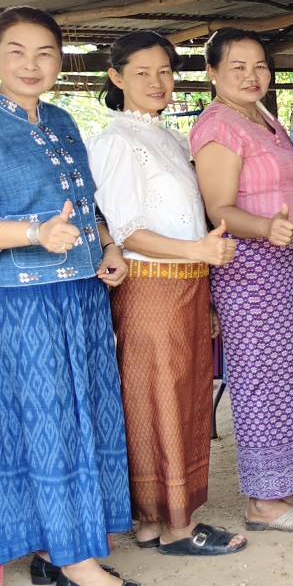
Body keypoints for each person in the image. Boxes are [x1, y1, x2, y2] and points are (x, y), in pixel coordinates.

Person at [0, 8, 139, 586]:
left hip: (79, 292)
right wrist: (33, 234)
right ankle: (77, 563)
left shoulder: (61, 120)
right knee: (50, 424)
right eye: (18, 52)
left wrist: (108, 246)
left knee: (85, 416)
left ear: (60, 60)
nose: (32, 64)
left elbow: (85, 201)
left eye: (46, 52)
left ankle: (59, 545)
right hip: (20, 302)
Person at [89, 31, 245, 558]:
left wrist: (203, 279)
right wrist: (198, 252)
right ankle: (176, 526)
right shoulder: (116, 142)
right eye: (142, 73)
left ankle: (154, 522)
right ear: (116, 78)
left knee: (182, 398)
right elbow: (128, 231)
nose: (157, 83)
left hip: (185, 286)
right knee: (158, 401)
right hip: (150, 289)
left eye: (164, 72)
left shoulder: (171, 139)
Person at [191, 28, 293, 533]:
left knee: (289, 379)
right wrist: (266, 229)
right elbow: (219, 207)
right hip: (247, 266)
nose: (252, 76)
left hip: (284, 257)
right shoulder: (218, 126)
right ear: (213, 73)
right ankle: (261, 502)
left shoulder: (264, 119)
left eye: (260, 66)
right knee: (259, 381)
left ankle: (283, 485)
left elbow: (288, 194)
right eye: (238, 67)